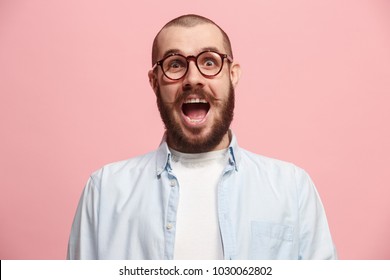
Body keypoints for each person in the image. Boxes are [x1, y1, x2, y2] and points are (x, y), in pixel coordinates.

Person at [67, 14, 337, 260]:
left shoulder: (292, 188)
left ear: (233, 75)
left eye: (210, 61)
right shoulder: (104, 191)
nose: (193, 78)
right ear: (154, 81)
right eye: (175, 64)